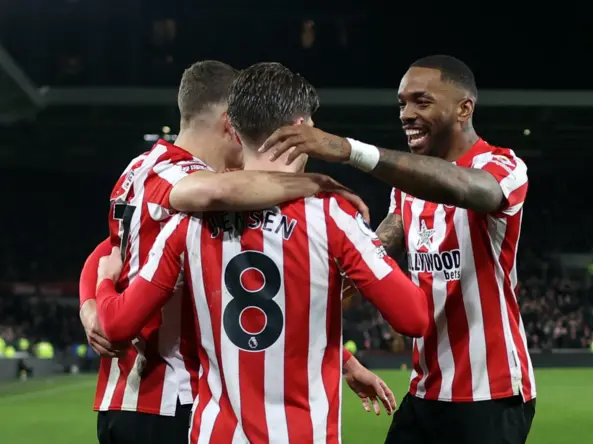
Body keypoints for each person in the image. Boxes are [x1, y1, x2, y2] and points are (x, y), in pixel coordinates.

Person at [93, 62, 431, 444]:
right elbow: (415, 318)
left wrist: (101, 285)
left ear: (234, 129)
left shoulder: (187, 224)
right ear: (304, 128)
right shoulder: (332, 216)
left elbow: (118, 322)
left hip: (212, 432)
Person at [259, 55, 536, 444]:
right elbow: (371, 252)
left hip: (488, 394)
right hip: (426, 390)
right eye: (402, 103)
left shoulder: (502, 166)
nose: (406, 114)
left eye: (421, 102)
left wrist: (348, 150)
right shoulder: (407, 188)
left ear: (464, 108)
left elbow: (473, 190)